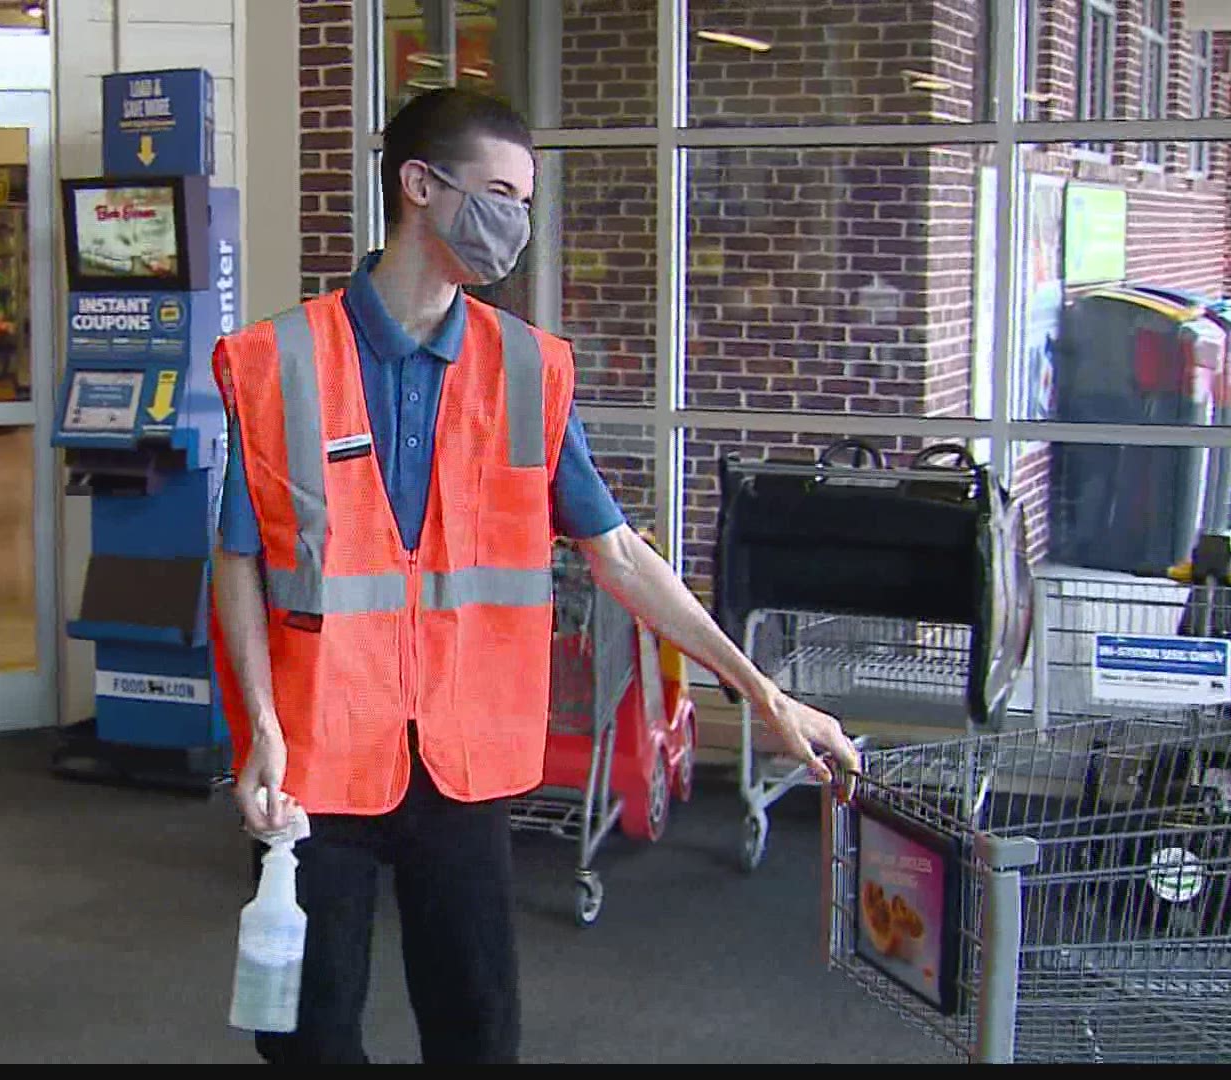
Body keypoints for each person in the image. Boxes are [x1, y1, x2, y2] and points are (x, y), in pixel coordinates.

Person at [208, 87, 861, 1065]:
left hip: (463, 764)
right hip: (317, 759)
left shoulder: (525, 370)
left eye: (525, 200)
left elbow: (619, 554)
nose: (518, 221)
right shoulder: (280, 361)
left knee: (478, 1032)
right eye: (502, 193)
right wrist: (258, 723)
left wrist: (762, 693)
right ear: (420, 186)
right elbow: (240, 561)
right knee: (306, 1037)